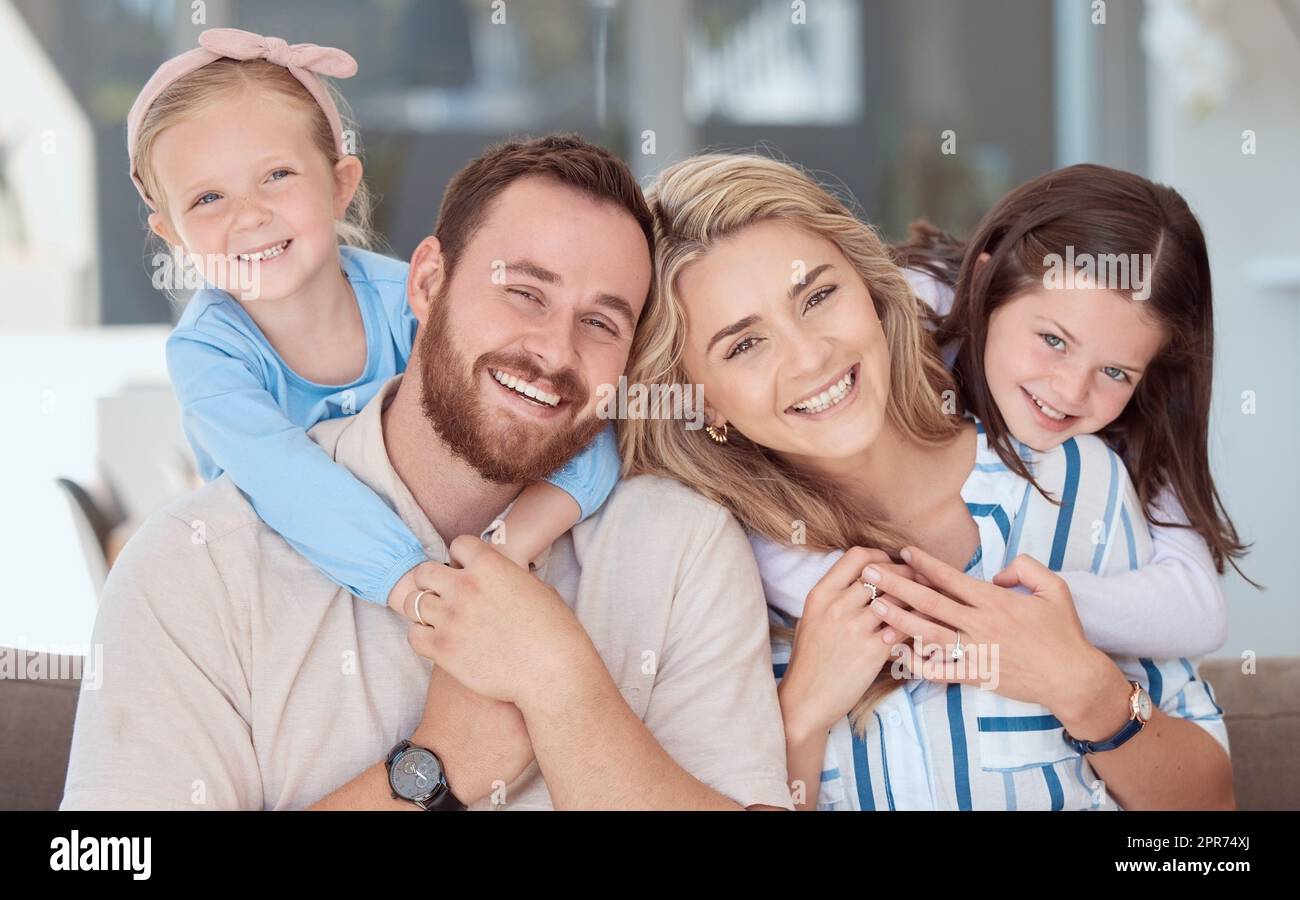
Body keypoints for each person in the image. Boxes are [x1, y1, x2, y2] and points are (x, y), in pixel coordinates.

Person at [61, 136, 791, 811]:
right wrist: (431, 773)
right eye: (525, 292)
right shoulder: (198, 566)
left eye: (601, 323)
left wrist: (562, 684)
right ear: (428, 283)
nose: (554, 350)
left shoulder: (682, 549)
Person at [621, 152, 1234, 810]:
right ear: (701, 399)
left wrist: (1085, 689)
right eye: (744, 344)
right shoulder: (709, 576)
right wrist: (801, 715)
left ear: (870, 288)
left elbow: (1209, 814)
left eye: (819, 297)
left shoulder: (1075, 480)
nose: (811, 356)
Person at [127, 27, 621, 614]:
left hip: (457, 567)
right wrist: (412, 581)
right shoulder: (208, 354)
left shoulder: (416, 301)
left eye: (277, 175)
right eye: (207, 199)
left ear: (340, 185)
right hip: (290, 588)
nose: (250, 215)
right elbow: (286, 481)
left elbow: (576, 419)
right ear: (172, 235)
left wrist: (510, 547)